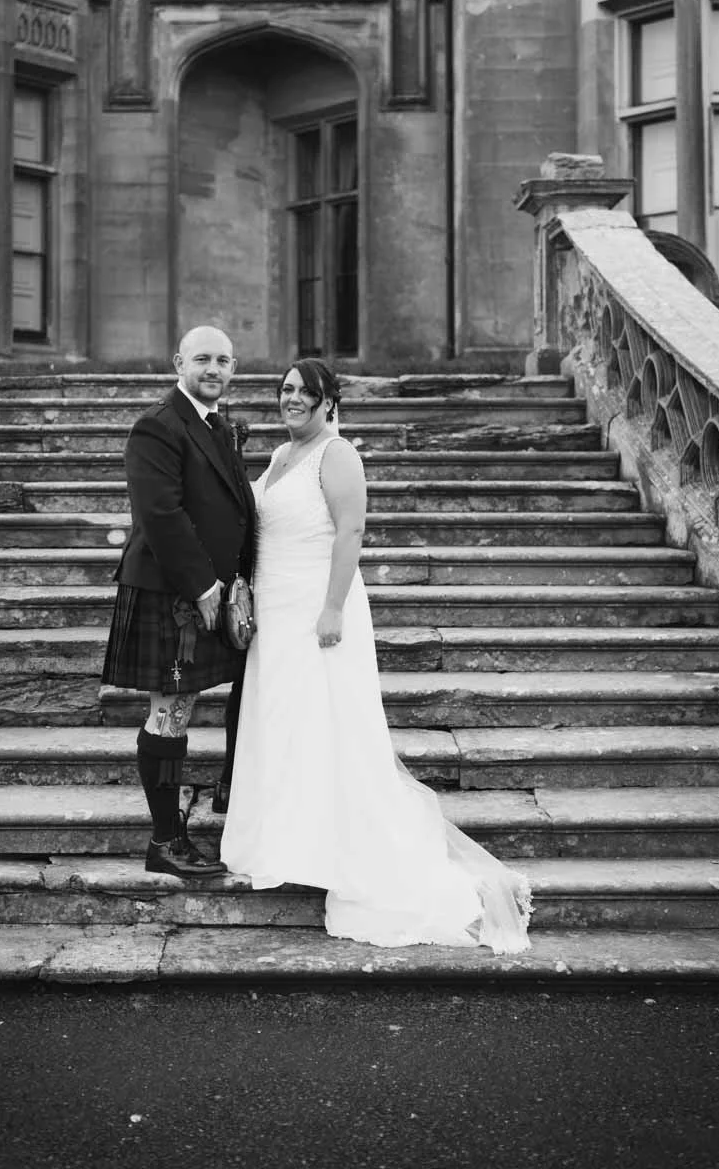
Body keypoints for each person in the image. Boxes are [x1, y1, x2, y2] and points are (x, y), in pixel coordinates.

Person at [220, 358, 532, 951]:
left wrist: (332, 608)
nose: (292, 399)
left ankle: (343, 853)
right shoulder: (281, 455)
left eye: (305, 392)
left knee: (331, 729)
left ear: (328, 402)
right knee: (286, 726)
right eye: (285, 390)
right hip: (276, 615)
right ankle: (288, 844)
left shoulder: (337, 454)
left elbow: (351, 532)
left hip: (318, 610)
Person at [101, 325, 255, 878]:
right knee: (169, 714)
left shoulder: (217, 425)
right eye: (202, 359)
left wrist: (241, 583)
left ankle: (221, 799)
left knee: (188, 709)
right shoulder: (158, 426)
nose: (213, 369)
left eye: (224, 360)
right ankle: (165, 841)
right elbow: (160, 515)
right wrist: (204, 586)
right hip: (172, 594)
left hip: (210, 592)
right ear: (178, 363)